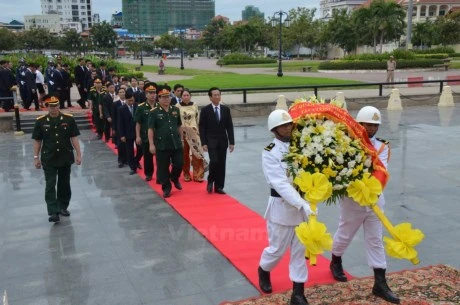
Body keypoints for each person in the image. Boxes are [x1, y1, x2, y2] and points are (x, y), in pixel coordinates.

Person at [329, 106, 400, 304]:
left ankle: (380, 283)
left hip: (375, 200)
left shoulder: (382, 146)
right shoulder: (346, 144)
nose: (370, 129)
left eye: (374, 125)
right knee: (345, 234)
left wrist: (372, 191)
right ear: (358, 125)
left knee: (375, 239)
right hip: (353, 200)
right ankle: (336, 260)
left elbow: (381, 171)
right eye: (367, 125)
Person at [258, 109, 314, 305]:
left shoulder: (303, 146)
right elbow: (280, 184)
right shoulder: (270, 152)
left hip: (303, 208)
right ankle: (264, 269)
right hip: (282, 208)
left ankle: (298, 293)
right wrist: (301, 203)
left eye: (289, 124)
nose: (288, 127)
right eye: (283, 126)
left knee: (300, 252)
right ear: (274, 130)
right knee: (277, 250)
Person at [32, 94, 82, 223]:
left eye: (55, 106)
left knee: (64, 184)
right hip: (49, 158)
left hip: (65, 156)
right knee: (50, 184)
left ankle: (63, 206)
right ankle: (53, 211)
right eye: (50, 106)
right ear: (46, 106)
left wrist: (79, 154)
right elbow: (37, 140)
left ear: (59, 105)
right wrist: (36, 157)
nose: (53, 108)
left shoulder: (69, 119)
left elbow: (74, 137)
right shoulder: (41, 121)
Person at [148, 85, 183, 198]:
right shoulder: (154, 112)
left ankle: (174, 177)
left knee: (179, 163)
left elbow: (179, 126)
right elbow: (150, 129)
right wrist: (151, 144)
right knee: (163, 168)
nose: (166, 99)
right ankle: (166, 188)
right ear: (159, 98)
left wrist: (181, 139)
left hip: (175, 143)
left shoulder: (175, 110)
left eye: (167, 97)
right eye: (163, 97)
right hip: (161, 144)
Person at [199, 87, 235, 195]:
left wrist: (232, 142)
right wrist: (204, 143)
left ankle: (219, 186)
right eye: (214, 95)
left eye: (218, 95)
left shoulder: (225, 109)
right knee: (214, 161)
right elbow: (202, 127)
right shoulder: (205, 110)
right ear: (210, 97)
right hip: (211, 141)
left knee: (221, 164)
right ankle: (210, 180)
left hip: (222, 141)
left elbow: (229, 126)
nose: (217, 97)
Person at [176, 88, 207, 182]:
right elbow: (177, 121)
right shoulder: (177, 106)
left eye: (187, 95)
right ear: (181, 97)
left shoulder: (194, 105)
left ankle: (198, 174)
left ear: (190, 96)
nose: (186, 97)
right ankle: (186, 173)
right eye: (184, 95)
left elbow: (197, 119)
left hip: (194, 132)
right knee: (184, 154)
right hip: (183, 132)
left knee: (197, 153)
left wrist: (199, 131)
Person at [135, 82, 157, 182]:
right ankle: (149, 173)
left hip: (159, 136)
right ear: (146, 94)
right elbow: (138, 123)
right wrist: (138, 136)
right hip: (145, 136)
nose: (153, 95)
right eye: (150, 93)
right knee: (148, 157)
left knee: (161, 158)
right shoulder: (141, 107)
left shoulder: (159, 106)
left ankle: (161, 174)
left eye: (154, 92)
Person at [118, 91, 142, 175]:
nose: (131, 102)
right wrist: (122, 135)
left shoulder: (138, 106)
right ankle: (133, 167)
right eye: (129, 101)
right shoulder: (121, 109)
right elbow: (120, 123)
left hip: (138, 132)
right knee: (129, 151)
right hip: (127, 133)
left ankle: (136, 161)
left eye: (132, 100)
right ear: (126, 100)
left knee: (140, 149)